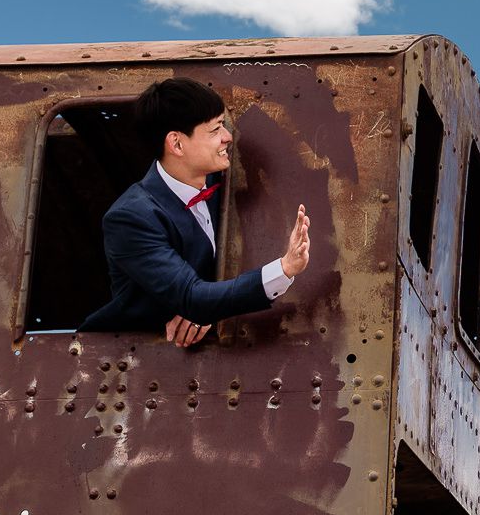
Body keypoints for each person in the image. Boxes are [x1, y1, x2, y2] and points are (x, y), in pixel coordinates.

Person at [78, 77, 312, 347]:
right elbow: (192, 297)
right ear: (176, 144)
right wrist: (284, 269)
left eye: (223, 124)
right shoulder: (131, 218)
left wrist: (209, 310)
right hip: (134, 356)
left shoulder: (223, 180)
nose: (227, 137)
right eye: (215, 130)